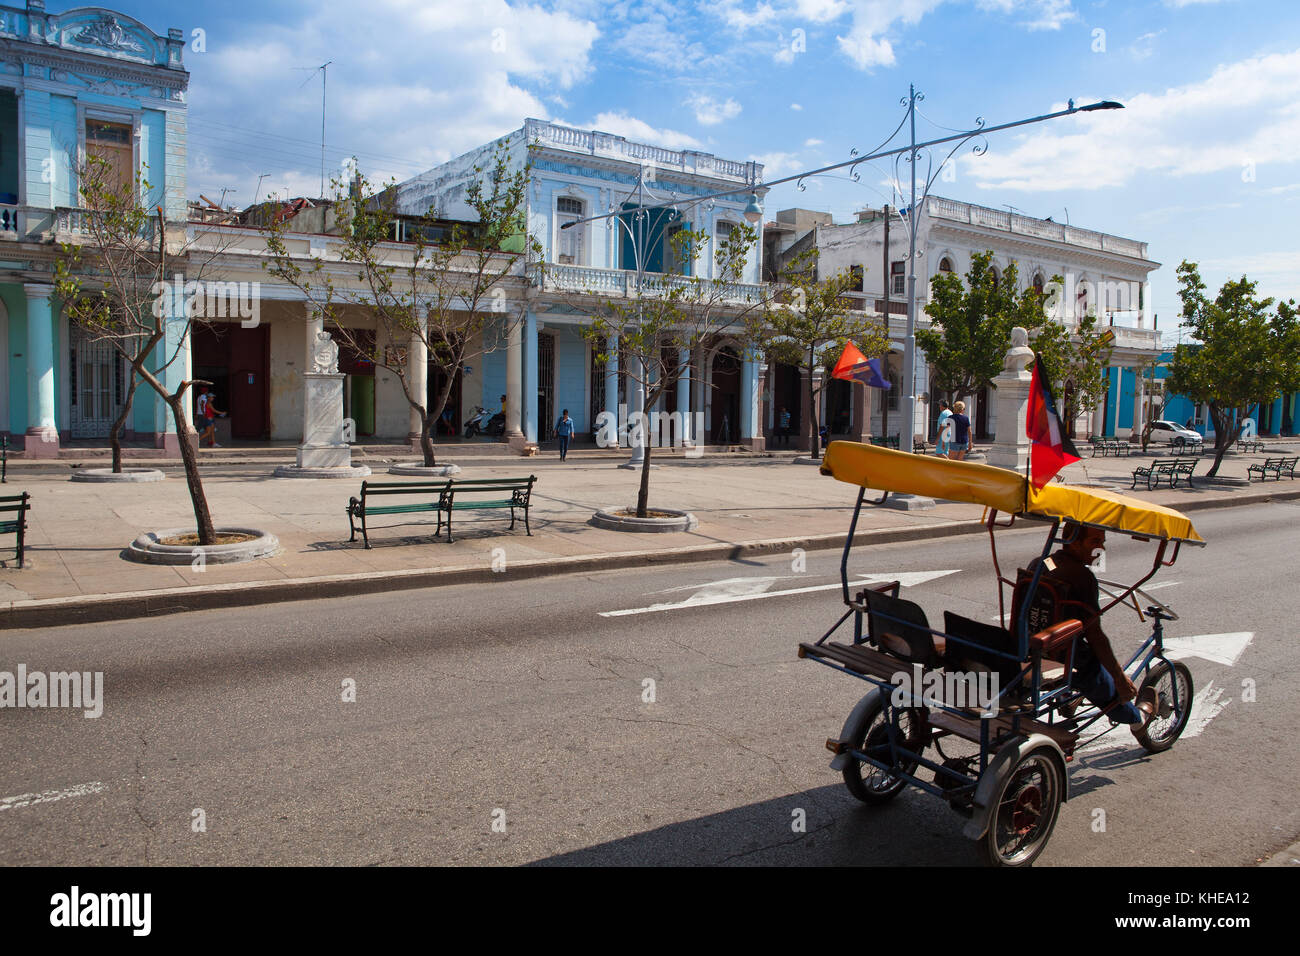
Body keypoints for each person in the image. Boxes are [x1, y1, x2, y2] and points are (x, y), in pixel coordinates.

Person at [1026, 521, 1154, 726]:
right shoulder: (1083, 577)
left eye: (1102, 542)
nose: (1101, 548)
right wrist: (1120, 679)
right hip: (1066, 658)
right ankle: (1138, 719)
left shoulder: (1041, 562)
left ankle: (1070, 697)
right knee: (1109, 686)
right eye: (1095, 541)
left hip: (1028, 646)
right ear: (1073, 541)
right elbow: (1096, 636)